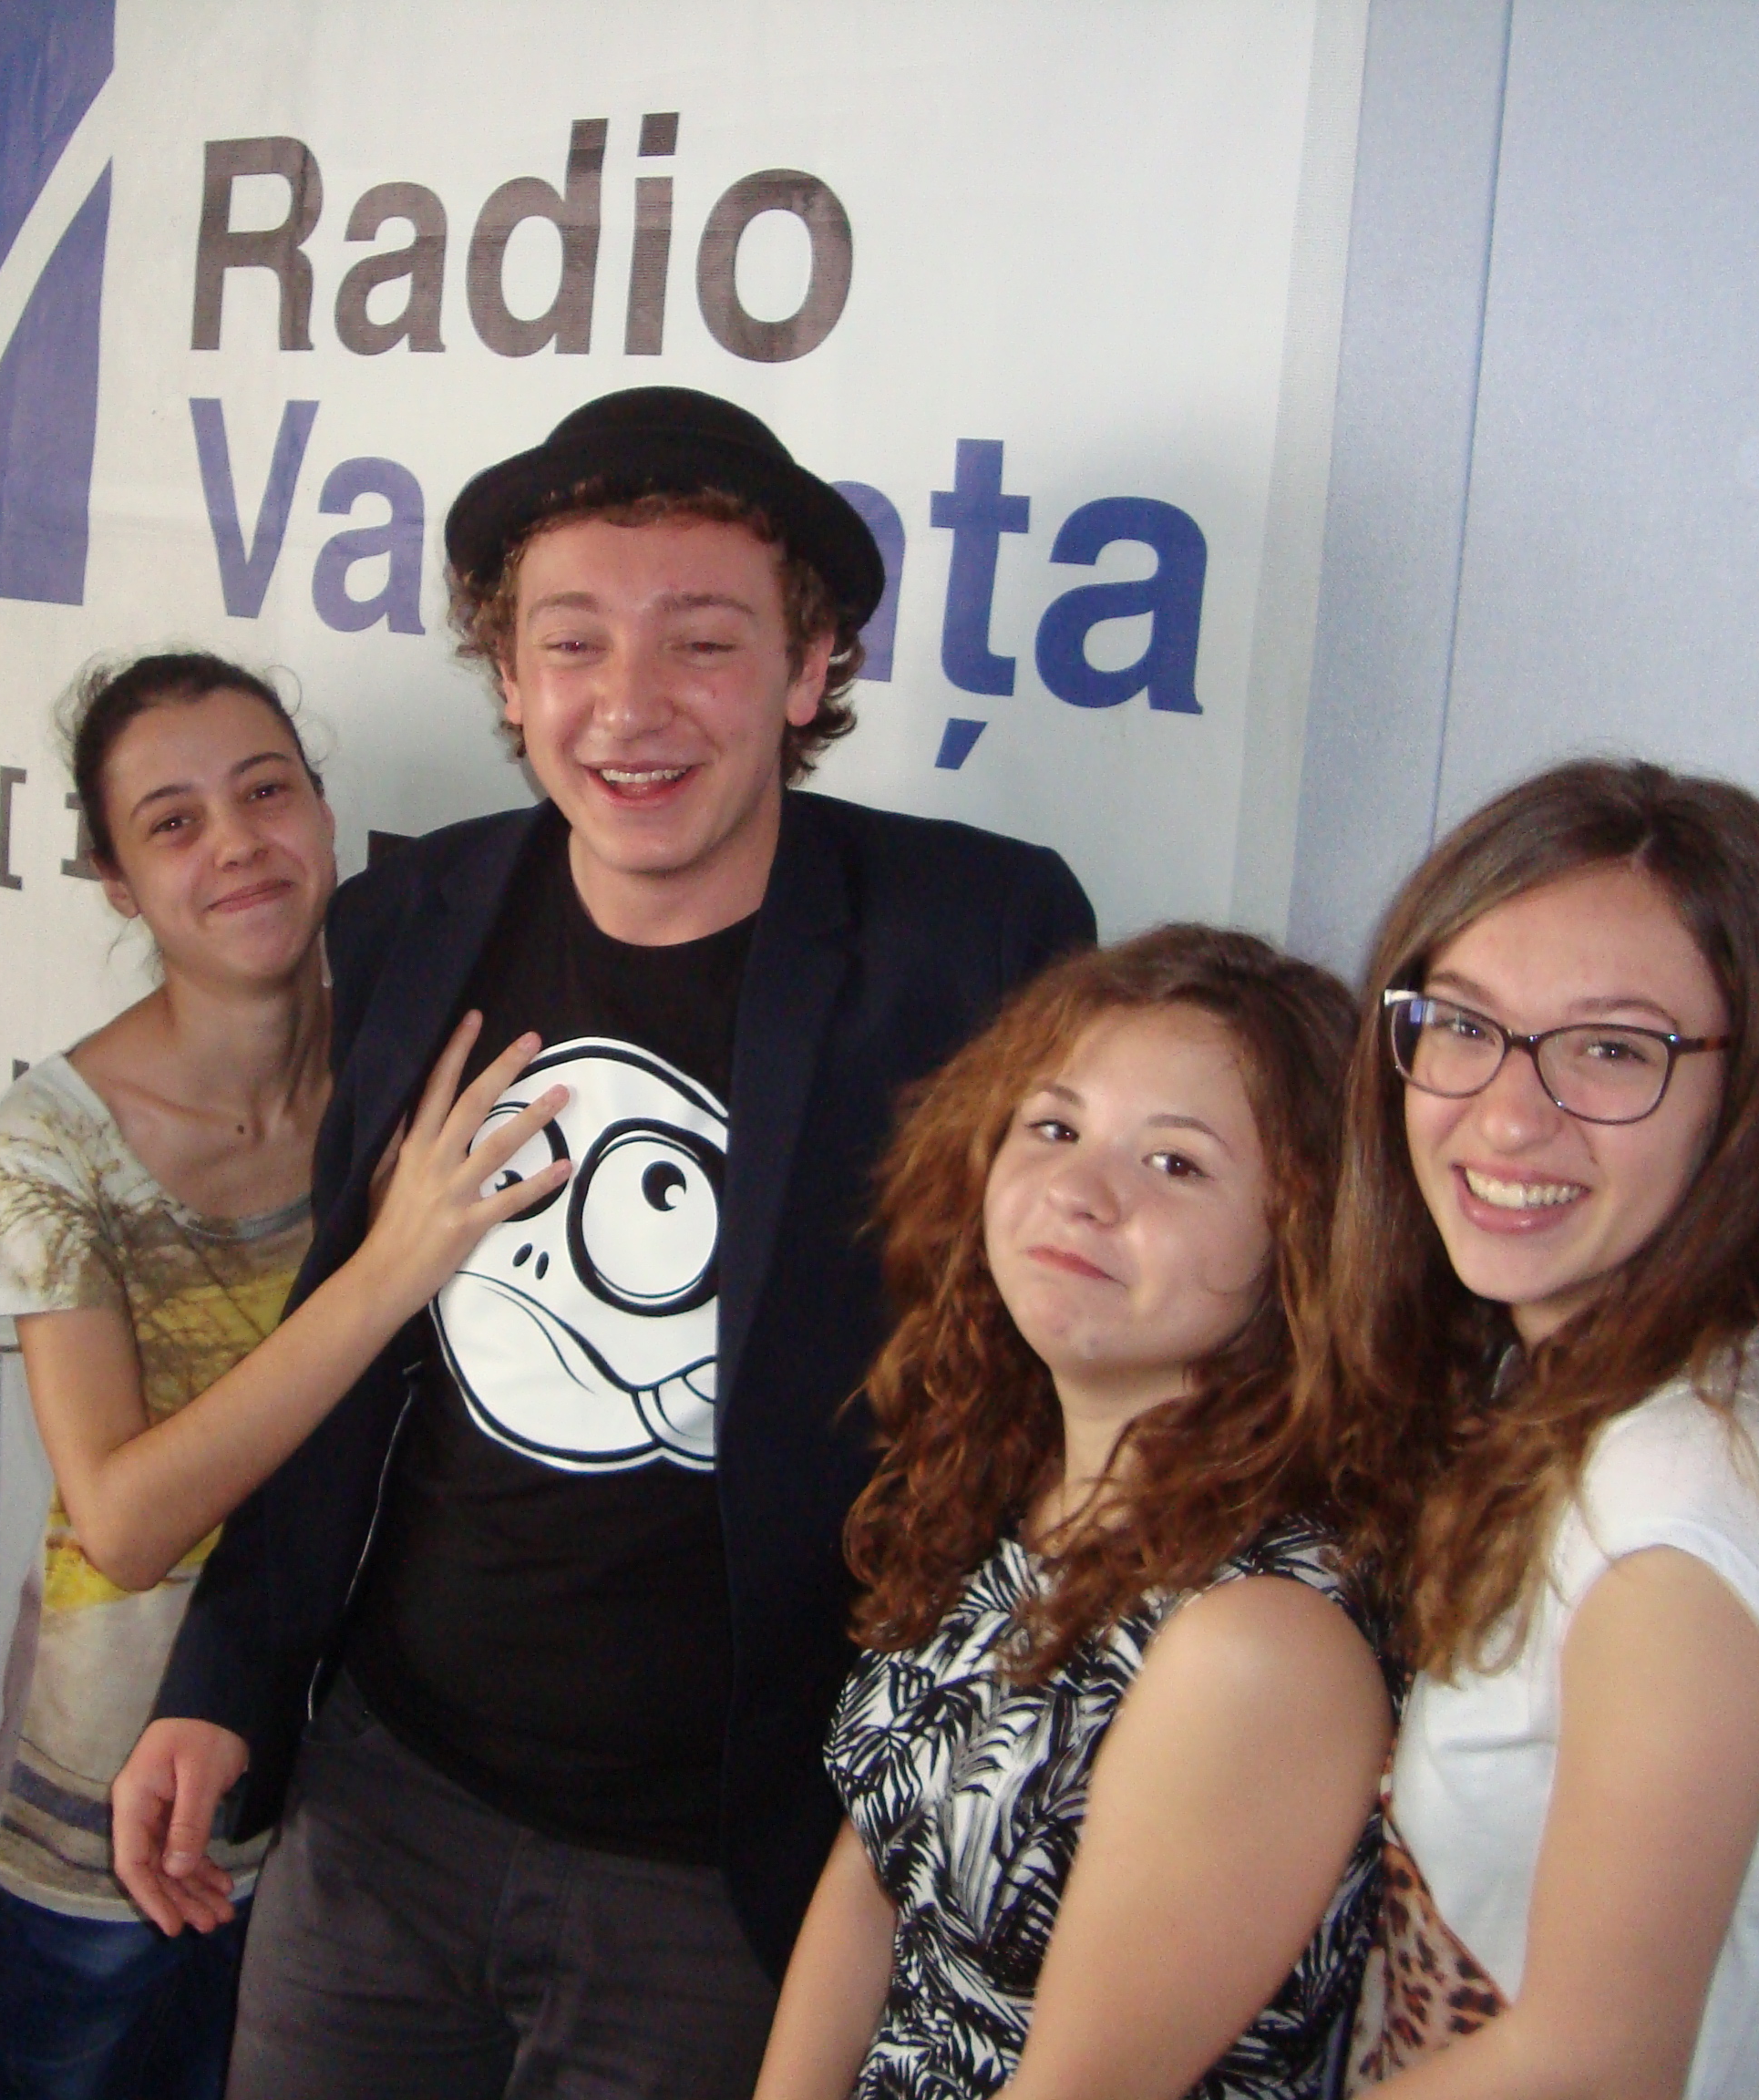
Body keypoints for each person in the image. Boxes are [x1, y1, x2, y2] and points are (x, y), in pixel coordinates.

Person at [112, 386, 1098, 2097]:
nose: (629, 706)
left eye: (703, 641)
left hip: (727, 1868)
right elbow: (352, 1334)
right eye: (571, 643)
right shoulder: (414, 916)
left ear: (807, 669)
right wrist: (230, 1676)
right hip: (383, 1812)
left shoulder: (974, 938)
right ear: (508, 678)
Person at [0, 652, 576, 2100]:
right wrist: (384, 1270)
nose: (235, 843)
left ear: (326, 814)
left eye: (266, 791)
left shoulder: (407, 1077)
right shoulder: (53, 1137)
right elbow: (123, 1520)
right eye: (173, 823)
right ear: (116, 882)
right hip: (112, 1809)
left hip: (354, 1798)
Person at [1318, 760, 1759, 2096]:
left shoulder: (1672, 1524)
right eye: (1464, 1024)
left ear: (1750, 1098)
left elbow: (1591, 2063)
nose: (1509, 1113)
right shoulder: (1591, 1360)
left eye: (1613, 1050)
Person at [754, 928, 1394, 2100]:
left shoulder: (1261, 1641)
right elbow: (879, 1868)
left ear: (1303, 1239)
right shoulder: (1017, 1480)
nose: (1078, 1193)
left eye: (1176, 1164)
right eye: (1054, 1129)